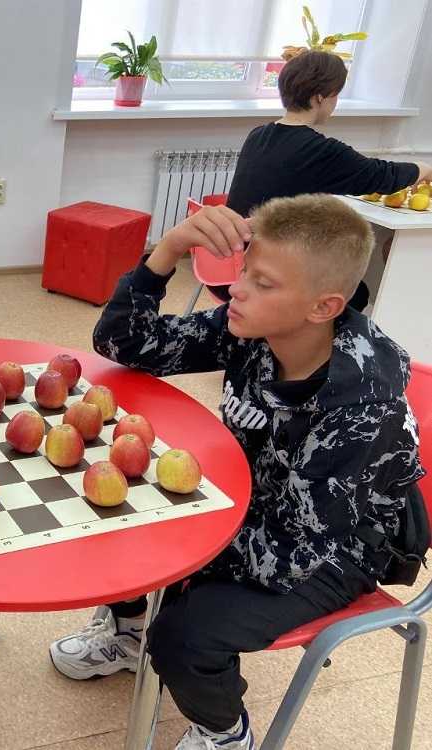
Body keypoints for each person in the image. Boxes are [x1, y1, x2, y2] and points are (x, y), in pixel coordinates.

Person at [50, 194, 423, 749]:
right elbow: (125, 344)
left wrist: (181, 551)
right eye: (244, 270)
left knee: (183, 634)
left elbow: (294, 551)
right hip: (257, 500)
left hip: (335, 549)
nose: (237, 289)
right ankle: (130, 636)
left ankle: (225, 732)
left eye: (262, 282)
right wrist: (169, 249)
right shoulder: (255, 327)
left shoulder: (361, 408)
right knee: (126, 519)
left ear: (323, 307)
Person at [217, 50, 432, 306]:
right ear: (321, 96)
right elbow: (383, 176)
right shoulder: (320, 150)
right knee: (357, 293)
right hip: (263, 270)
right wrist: (424, 168)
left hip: (226, 259)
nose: (335, 103)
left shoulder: (258, 135)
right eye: (336, 95)